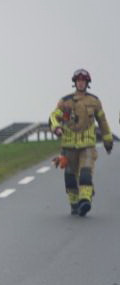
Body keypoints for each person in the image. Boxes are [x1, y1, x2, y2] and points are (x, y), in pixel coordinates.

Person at [49, 69, 113, 216]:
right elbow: (53, 116)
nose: (81, 83)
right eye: (78, 81)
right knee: (70, 178)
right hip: (69, 147)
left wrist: (107, 140)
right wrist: (57, 128)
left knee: (85, 173)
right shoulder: (65, 102)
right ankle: (74, 203)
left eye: (83, 81)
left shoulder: (94, 101)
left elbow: (102, 121)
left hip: (87, 146)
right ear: (75, 83)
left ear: (87, 83)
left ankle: (85, 200)